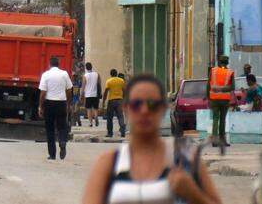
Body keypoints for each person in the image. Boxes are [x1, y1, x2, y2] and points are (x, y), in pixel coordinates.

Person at [81, 73, 223, 204]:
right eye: (136, 104)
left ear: (163, 109)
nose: (144, 111)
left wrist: (193, 194)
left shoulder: (186, 160)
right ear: (126, 109)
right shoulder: (109, 164)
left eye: (152, 105)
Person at [38, 56, 73, 160]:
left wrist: (40, 106)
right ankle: (62, 141)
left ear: (49, 64)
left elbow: (43, 92)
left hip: (49, 104)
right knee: (62, 127)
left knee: (50, 129)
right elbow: (69, 89)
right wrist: (68, 103)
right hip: (61, 103)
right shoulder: (64, 74)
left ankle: (52, 154)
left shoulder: (46, 75)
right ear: (59, 64)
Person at [208, 55, 235, 149]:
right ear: (227, 62)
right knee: (222, 120)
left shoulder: (213, 71)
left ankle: (214, 141)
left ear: (219, 61)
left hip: (214, 99)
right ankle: (222, 140)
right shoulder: (230, 72)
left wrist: (208, 98)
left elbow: (208, 85)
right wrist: (223, 89)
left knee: (215, 119)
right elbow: (232, 87)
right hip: (224, 100)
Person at [103, 69, 126, 138]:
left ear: (111, 74)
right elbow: (124, 90)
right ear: (116, 74)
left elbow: (106, 92)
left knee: (110, 118)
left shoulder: (109, 81)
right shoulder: (121, 81)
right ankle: (122, 128)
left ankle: (110, 133)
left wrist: (104, 101)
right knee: (120, 116)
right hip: (119, 100)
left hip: (111, 101)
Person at [82, 62, 102, 127]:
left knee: (88, 109)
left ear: (86, 68)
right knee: (95, 108)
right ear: (91, 66)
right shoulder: (97, 74)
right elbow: (99, 84)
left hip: (88, 95)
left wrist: (81, 94)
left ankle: (90, 123)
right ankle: (96, 117)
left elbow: (83, 86)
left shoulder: (85, 76)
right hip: (95, 94)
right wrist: (100, 92)